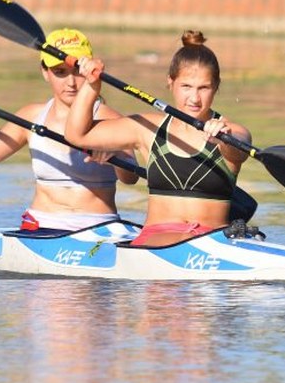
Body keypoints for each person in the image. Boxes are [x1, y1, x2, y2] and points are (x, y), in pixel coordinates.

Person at [65, 30, 251, 247]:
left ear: (216, 87)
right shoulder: (147, 129)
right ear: (170, 82)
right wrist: (91, 86)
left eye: (204, 88)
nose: (194, 98)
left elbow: (240, 149)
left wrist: (224, 139)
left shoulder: (232, 132)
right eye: (186, 86)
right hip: (155, 243)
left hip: (212, 243)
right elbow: (78, 135)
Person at [0, 28, 138, 231]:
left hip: (99, 227)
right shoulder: (31, 116)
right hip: (39, 225)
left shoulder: (109, 118)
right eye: (60, 72)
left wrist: (115, 156)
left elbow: (131, 178)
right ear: (44, 73)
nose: (71, 82)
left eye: (78, 72)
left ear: (90, 71)